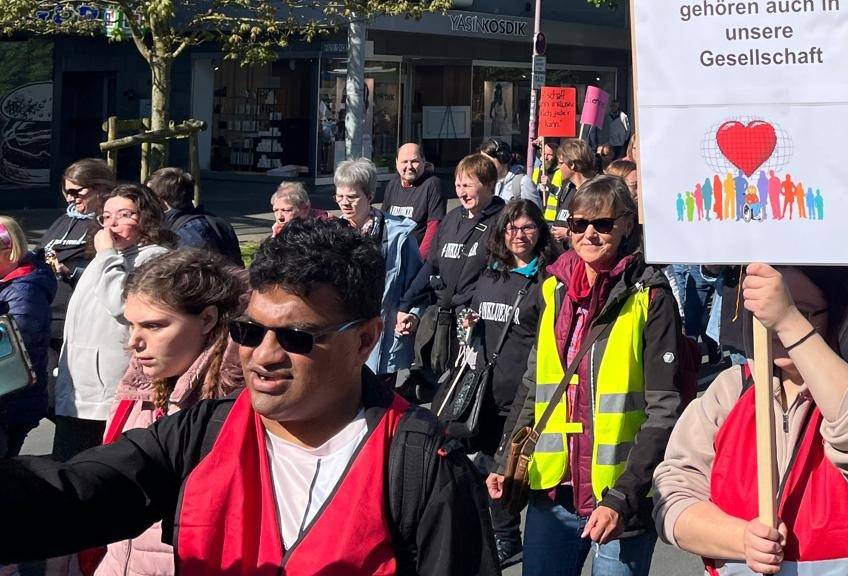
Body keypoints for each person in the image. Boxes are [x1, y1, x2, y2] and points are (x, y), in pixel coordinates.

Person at [0, 218, 498, 574]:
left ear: (366, 339)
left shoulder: (420, 462)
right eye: (248, 330)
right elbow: (78, 492)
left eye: (297, 337)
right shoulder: (202, 433)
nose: (262, 356)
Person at [654, 264, 848, 576]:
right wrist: (741, 540)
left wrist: (790, 321)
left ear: (839, 313)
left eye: (804, 312)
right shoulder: (731, 391)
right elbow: (673, 496)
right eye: (766, 308)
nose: (775, 326)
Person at [488, 176, 689, 576]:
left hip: (617, 500)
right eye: (579, 224)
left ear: (628, 224)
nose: (589, 234)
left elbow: (664, 410)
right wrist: (503, 461)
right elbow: (534, 386)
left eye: (603, 224)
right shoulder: (553, 290)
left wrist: (622, 497)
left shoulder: (651, 296)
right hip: (554, 493)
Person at [92, 248, 247, 576]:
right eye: (131, 325)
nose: (134, 341)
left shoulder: (237, 408)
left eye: (154, 325)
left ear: (207, 319)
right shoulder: (136, 387)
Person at [460, 199, 556, 567]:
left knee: (505, 464)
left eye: (528, 227)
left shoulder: (546, 280)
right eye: (512, 228)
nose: (519, 235)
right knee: (484, 464)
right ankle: (493, 532)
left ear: (540, 232)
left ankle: (508, 537)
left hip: (519, 392)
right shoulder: (490, 272)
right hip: (483, 387)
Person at [55, 184, 175, 461]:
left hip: (107, 391)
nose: (112, 225)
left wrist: (108, 256)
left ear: (145, 218)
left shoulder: (153, 257)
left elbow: (120, 305)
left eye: (124, 215)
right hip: (78, 385)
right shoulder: (106, 257)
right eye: (106, 217)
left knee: (95, 469)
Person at [400, 153, 506, 399]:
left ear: (489, 185)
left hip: (476, 318)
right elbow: (431, 265)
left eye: (468, 185)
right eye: (458, 185)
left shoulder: (502, 222)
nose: (462, 192)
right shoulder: (451, 219)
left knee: (466, 385)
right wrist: (405, 303)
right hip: (444, 313)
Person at [335, 158, 424, 382]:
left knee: (379, 404)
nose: (344, 203)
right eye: (339, 196)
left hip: (381, 337)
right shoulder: (331, 233)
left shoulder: (398, 234)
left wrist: (412, 313)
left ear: (370, 197)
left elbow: (417, 282)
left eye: (352, 197)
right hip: (342, 335)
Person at [37, 158, 113, 347]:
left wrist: (73, 271)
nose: (70, 198)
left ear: (101, 188)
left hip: (78, 319)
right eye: (66, 192)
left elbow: (112, 267)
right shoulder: (64, 219)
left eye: (76, 191)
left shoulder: (108, 223)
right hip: (46, 314)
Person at [0, 216, 57, 457]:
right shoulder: (10, 283)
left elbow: (16, 339)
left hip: (12, 400)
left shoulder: (26, 289)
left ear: (8, 250)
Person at [146, 167, 242, 264]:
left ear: (160, 199)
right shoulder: (213, 221)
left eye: (148, 196)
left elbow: (194, 274)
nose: (145, 201)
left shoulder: (188, 233)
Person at [384, 143, 448, 256]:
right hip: (392, 255)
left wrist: (419, 260)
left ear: (423, 161)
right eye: (404, 162)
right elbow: (384, 220)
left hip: (416, 257)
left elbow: (434, 226)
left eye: (414, 161)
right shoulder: (393, 184)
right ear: (396, 162)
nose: (409, 166)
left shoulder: (432, 184)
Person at [550, 139, 600, 242]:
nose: (558, 168)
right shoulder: (568, 188)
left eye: (560, 163)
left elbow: (600, 230)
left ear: (572, 164)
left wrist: (568, 234)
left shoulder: (596, 192)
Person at [482, 138, 538, 203]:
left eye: (488, 161)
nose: (483, 166)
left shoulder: (523, 182)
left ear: (503, 159)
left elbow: (535, 212)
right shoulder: (488, 183)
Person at [598, 99, 632, 164]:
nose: (613, 107)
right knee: (610, 158)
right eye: (612, 106)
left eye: (615, 106)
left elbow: (628, 129)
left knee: (618, 158)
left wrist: (625, 139)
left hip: (619, 143)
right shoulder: (607, 116)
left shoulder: (623, 116)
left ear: (618, 106)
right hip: (610, 142)